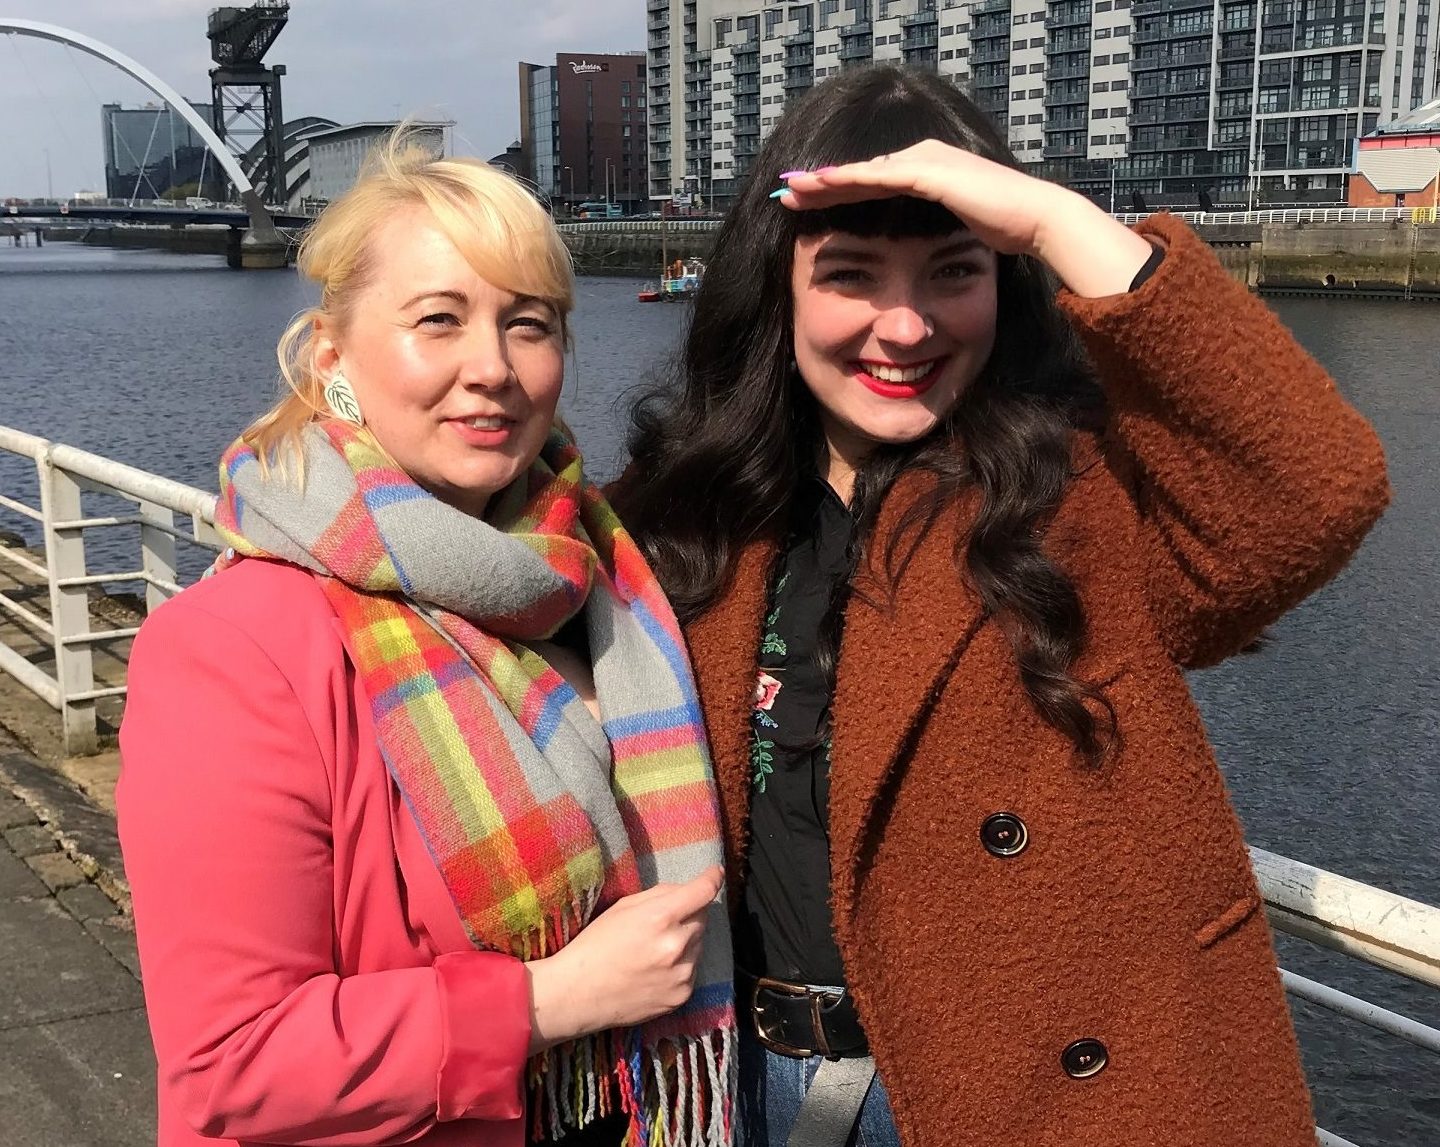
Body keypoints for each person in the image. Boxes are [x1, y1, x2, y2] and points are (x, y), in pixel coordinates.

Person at [610, 66, 1390, 1147]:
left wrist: (1051, 212)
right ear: (775, 286)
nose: (904, 325)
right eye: (850, 274)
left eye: (953, 272)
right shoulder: (691, 526)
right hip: (741, 1083)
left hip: (1035, 1096)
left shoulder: (1083, 503)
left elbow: (1315, 491)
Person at [117, 142, 737, 1147]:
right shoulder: (230, 648)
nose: (490, 368)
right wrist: (548, 1000)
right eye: (438, 319)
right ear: (331, 354)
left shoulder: (606, 584)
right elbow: (229, 1060)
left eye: (527, 325)